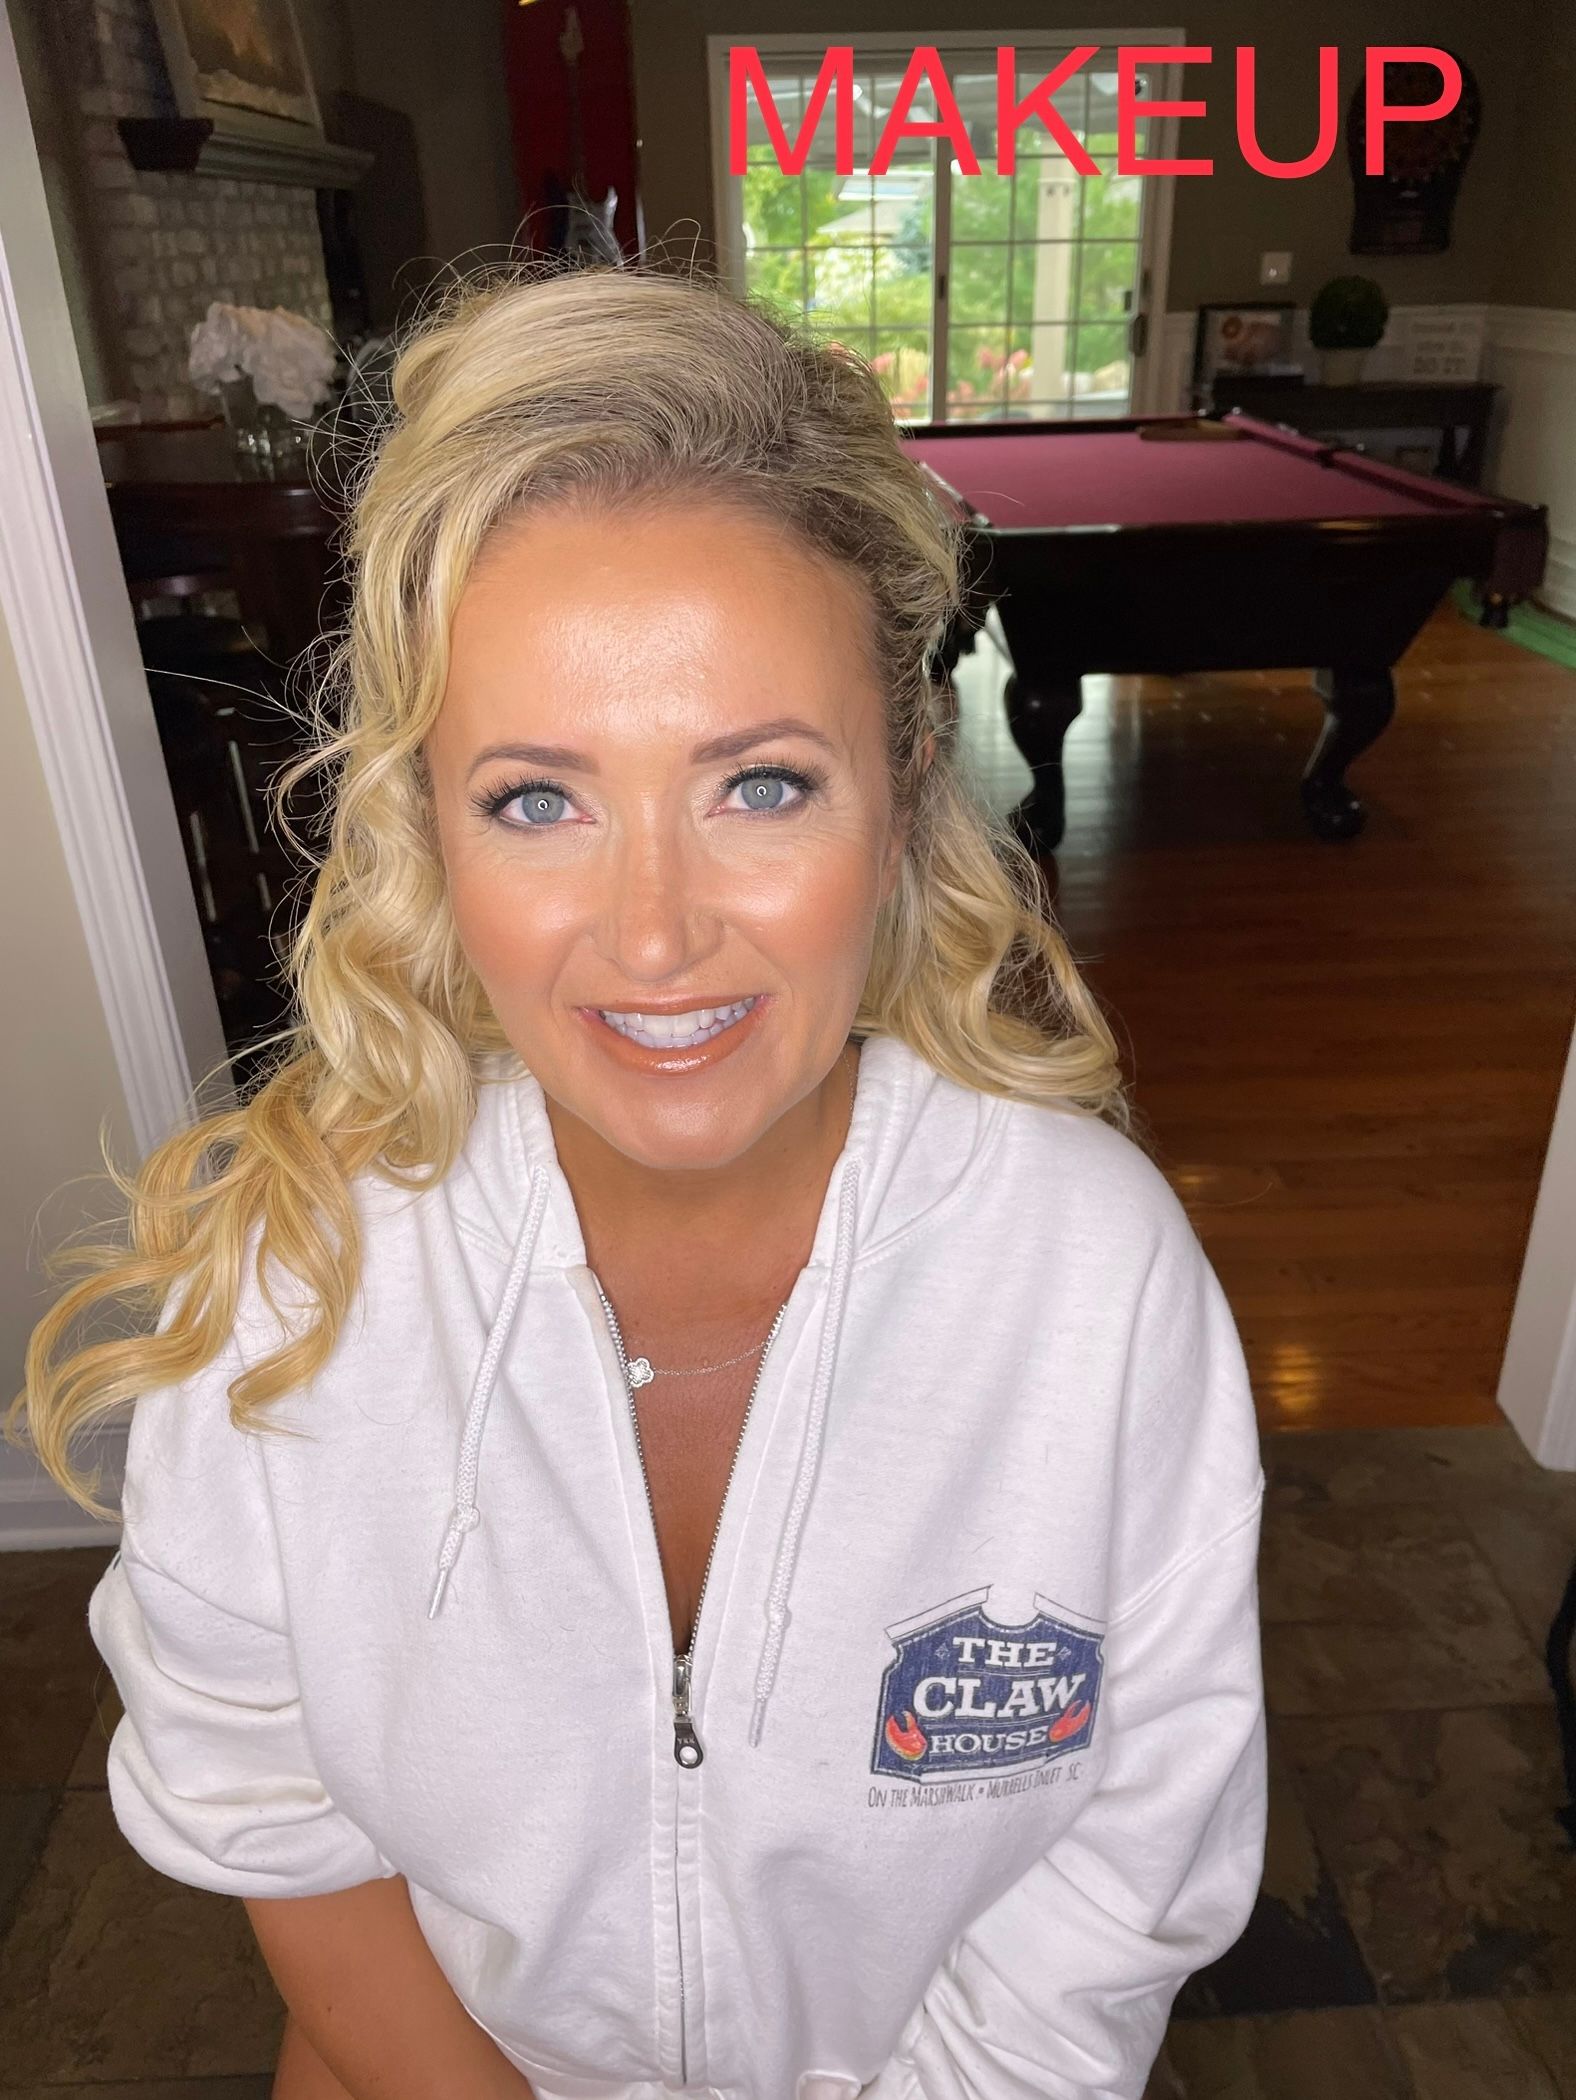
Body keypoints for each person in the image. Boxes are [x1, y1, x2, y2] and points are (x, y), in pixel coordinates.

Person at [13, 263, 1266, 2100]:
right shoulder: (287, 1286)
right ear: (428, 829)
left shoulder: (1093, 1283)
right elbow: (272, 1804)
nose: (658, 933)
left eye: (759, 785)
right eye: (539, 798)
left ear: (909, 795)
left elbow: (1123, 1872)